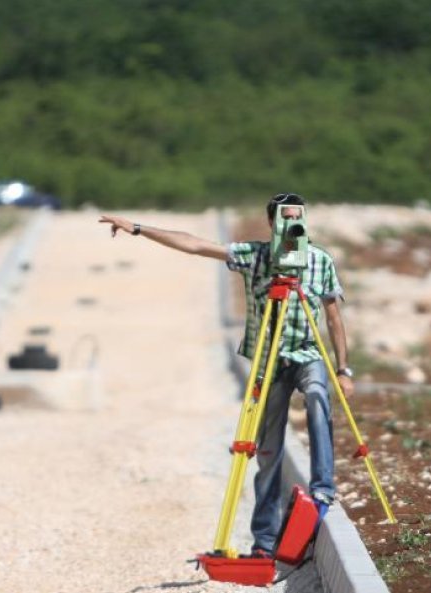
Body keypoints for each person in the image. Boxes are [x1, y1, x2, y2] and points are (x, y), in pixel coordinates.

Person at [98, 193, 354, 558]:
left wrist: (344, 369)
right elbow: (196, 245)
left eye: (299, 219)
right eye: (286, 220)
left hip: (309, 353)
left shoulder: (320, 261)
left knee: (317, 393)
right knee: (267, 453)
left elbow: (333, 317)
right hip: (269, 360)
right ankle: (264, 544)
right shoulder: (257, 256)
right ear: (272, 223)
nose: (293, 228)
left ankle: (323, 487)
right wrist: (137, 228)